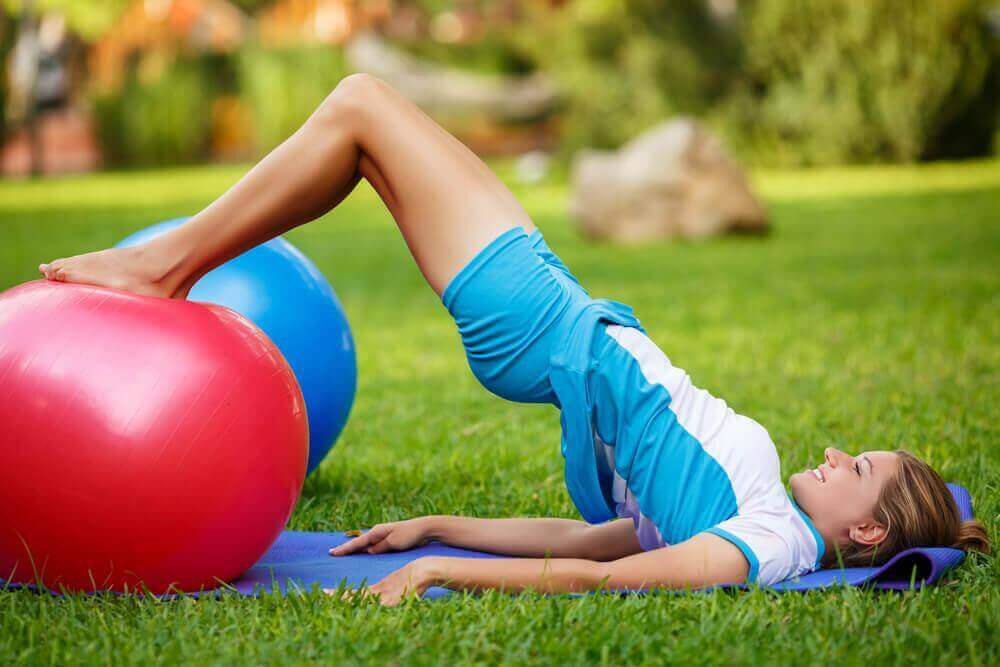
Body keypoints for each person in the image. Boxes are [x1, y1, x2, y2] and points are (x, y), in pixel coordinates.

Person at [38, 75, 990, 606]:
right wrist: (434, 526)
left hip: (542, 323)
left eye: (855, 465)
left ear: (863, 531)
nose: (834, 451)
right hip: (551, 309)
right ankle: (172, 259)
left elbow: (593, 577)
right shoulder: (744, 516)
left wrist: (437, 572)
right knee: (363, 129)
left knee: (364, 105)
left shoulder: (761, 545)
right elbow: (594, 538)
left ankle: (168, 264)